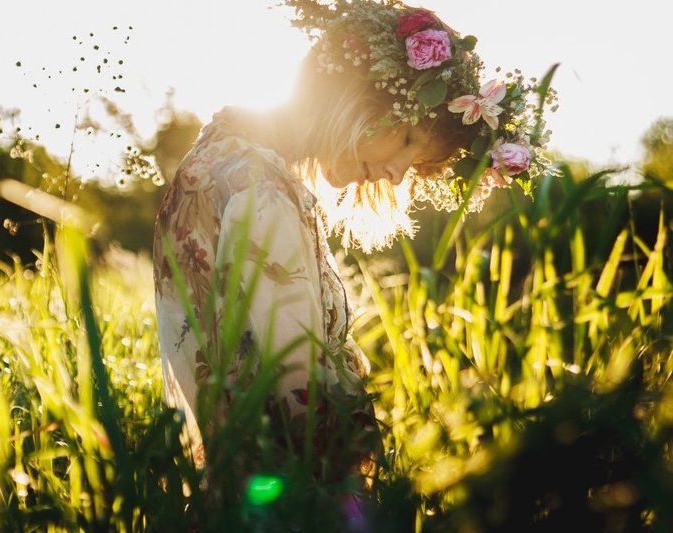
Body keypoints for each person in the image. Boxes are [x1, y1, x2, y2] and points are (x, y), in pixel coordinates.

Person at [152, 0, 553, 485]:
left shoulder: (213, 160)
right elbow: (299, 391)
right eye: (406, 139)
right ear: (356, 95)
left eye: (417, 165)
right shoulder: (261, 188)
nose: (398, 173)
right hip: (287, 498)